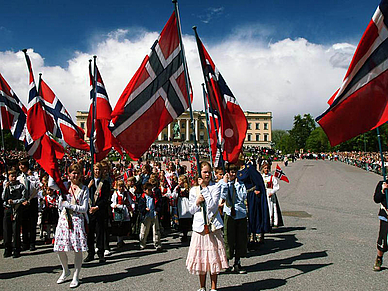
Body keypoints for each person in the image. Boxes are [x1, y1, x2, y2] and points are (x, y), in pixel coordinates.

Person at [186, 161, 228, 291]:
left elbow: (212, 206)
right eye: (204, 172)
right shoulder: (193, 190)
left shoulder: (215, 187)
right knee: (201, 259)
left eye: (209, 172)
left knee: (213, 257)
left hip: (212, 226)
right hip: (199, 227)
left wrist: (205, 188)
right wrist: (197, 202)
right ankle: (202, 286)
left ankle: (214, 287)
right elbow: (191, 210)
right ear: (200, 174)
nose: (207, 174)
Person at [54, 163, 89, 288]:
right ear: (69, 174)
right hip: (64, 220)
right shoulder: (64, 186)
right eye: (73, 173)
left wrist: (69, 205)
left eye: (77, 173)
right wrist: (53, 168)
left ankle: (76, 275)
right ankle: (65, 271)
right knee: (59, 248)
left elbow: (84, 208)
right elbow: (51, 184)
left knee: (77, 249)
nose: (75, 175)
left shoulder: (84, 189)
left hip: (76, 220)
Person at [236, 154, 270, 248]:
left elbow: (258, 179)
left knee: (252, 216)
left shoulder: (248, 168)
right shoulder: (234, 170)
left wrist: (257, 189)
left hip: (250, 195)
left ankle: (254, 237)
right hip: (240, 196)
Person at [220, 163, 248, 274]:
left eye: (234, 171)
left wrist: (236, 185)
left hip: (240, 213)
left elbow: (242, 197)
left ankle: (237, 262)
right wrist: (226, 184)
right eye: (231, 171)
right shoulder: (224, 184)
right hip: (229, 214)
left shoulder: (240, 184)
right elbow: (223, 196)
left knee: (240, 239)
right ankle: (226, 262)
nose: (233, 174)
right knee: (228, 238)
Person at [84, 162, 110, 263]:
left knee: (100, 234)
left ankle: (101, 254)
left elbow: (105, 198)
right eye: (95, 169)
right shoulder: (87, 182)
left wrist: (97, 207)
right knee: (89, 234)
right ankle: (90, 253)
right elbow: (82, 196)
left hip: (99, 211)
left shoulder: (105, 183)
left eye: (99, 169)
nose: (97, 171)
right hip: (89, 211)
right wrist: (88, 187)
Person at [2, 170, 26, 258]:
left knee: (16, 230)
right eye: (11, 176)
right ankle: (7, 248)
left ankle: (17, 249)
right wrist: (5, 188)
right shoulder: (6, 185)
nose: (13, 177)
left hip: (17, 208)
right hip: (8, 209)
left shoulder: (20, 186)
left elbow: (23, 198)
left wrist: (15, 201)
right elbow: (3, 197)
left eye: (14, 175)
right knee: (6, 230)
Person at [18, 158, 39, 251]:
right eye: (20, 165)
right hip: (22, 201)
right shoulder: (19, 177)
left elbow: (37, 186)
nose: (21, 166)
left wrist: (31, 177)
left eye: (23, 164)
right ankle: (25, 242)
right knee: (24, 222)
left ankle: (32, 242)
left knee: (32, 223)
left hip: (32, 200)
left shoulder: (34, 175)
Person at [138, 182, 162, 251]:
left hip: (154, 214)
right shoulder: (142, 198)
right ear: (145, 190)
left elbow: (158, 203)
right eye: (149, 190)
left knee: (156, 230)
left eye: (151, 190)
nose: (150, 191)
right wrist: (144, 209)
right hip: (146, 215)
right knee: (144, 230)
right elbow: (140, 207)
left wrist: (157, 210)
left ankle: (157, 244)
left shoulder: (154, 197)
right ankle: (142, 243)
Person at [111, 180, 134, 249]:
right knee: (119, 226)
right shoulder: (115, 194)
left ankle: (122, 239)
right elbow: (112, 202)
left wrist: (132, 208)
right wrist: (114, 206)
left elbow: (130, 201)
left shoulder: (126, 193)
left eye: (122, 186)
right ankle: (119, 241)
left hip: (124, 210)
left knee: (124, 225)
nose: (121, 188)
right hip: (118, 211)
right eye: (119, 186)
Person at [261, 162, 283, 228]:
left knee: (271, 209)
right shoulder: (261, 177)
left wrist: (272, 192)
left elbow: (276, 186)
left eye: (267, 168)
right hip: (263, 194)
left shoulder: (272, 177)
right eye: (265, 168)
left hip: (270, 194)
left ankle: (270, 223)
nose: (266, 170)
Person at [171, 175, 192, 242]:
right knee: (182, 219)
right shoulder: (178, 188)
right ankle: (184, 233)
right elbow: (173, 196)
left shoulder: (188, 188)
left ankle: (186, 233)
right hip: (180, 204)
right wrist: (176, 190)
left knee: (187, 219)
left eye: (180, 181)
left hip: (187, 203)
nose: (178, 182)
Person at [373, 180, 388, 271]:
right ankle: (379, 258)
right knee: (384, 241)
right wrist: (383, 191)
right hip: (386, 216)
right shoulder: (382, 183)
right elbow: (376, 199)